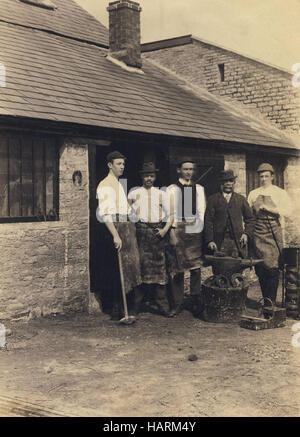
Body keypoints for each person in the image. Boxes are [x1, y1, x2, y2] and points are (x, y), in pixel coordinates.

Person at [96, 150, 142, 320]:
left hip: (126, 226)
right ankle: (118, 309)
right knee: (116, 269)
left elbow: (124, 207)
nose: (122, 167)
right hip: (114, 228)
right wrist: (115, 235)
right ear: (110, 165)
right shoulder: (105, 185)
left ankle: (127, 307)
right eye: (118, 164)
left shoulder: (118, 183)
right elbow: (105, 213)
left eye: (123, 164)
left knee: (128, 268)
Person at [128, 162, 177, 317]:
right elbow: (126, 212)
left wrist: (164, 230)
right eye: (146, 175)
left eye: (151, 176)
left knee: (160, 270)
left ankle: (163, 307)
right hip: (141, 233)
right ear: (142, 177)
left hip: (158, 234)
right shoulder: (134, 193)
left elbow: (171, 215)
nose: (148, 178)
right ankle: (135, 307)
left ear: (155, 177)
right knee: (140, 268)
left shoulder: (162, 194)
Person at [248, 163, 293, 308]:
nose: (264, 179)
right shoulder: (253, 193)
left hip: (273, 233)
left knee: (272, 267)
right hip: (258, 233)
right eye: (261, 176)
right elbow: (249, 215)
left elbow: (288, 211)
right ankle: (265, 299)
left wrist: (270, 208)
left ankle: (270, 302)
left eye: (267, 176)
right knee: (260, 267)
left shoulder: (280, 193)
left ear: (272, 177)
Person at [167, 159, 206, 315]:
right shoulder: (172, 189)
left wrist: (199, 228)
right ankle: (177, 303)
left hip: (194, 229)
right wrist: (172, 231)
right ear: (179, 170)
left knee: (196, 268)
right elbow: (170, 212)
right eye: (185, 169)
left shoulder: (199, 189)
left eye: (191, 169)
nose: (188, 172)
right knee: (178, 268)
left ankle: (195, 302)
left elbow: (202, 210)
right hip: (179, 228)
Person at [204, 169, 255, 261]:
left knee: (237, 267)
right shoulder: (213, 199)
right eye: (225, 181)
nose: (228, 183)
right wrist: (210, 240)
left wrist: (246, 234)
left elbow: (250, 219)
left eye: (230, 181)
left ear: (234, 182)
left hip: (237, 241)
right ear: (221, 183)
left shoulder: (241, 199)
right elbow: (208, 221)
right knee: (219, 268)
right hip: (219, 241)